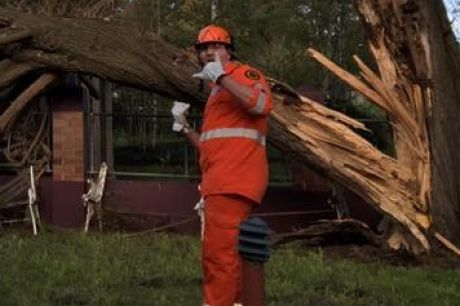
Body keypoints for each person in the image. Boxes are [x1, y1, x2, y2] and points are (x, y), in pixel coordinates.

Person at [171, 24, 273, 306]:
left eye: (215, 46)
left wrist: (224, 78)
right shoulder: (216, 94)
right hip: (223, 180)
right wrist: (183, 128)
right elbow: (211, 146)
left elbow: (262, 105)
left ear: (229, 50)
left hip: (233, 180)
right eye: (203, 49)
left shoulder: (242, 75)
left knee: (218, 257)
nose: (208, 53)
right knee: (230, 254)